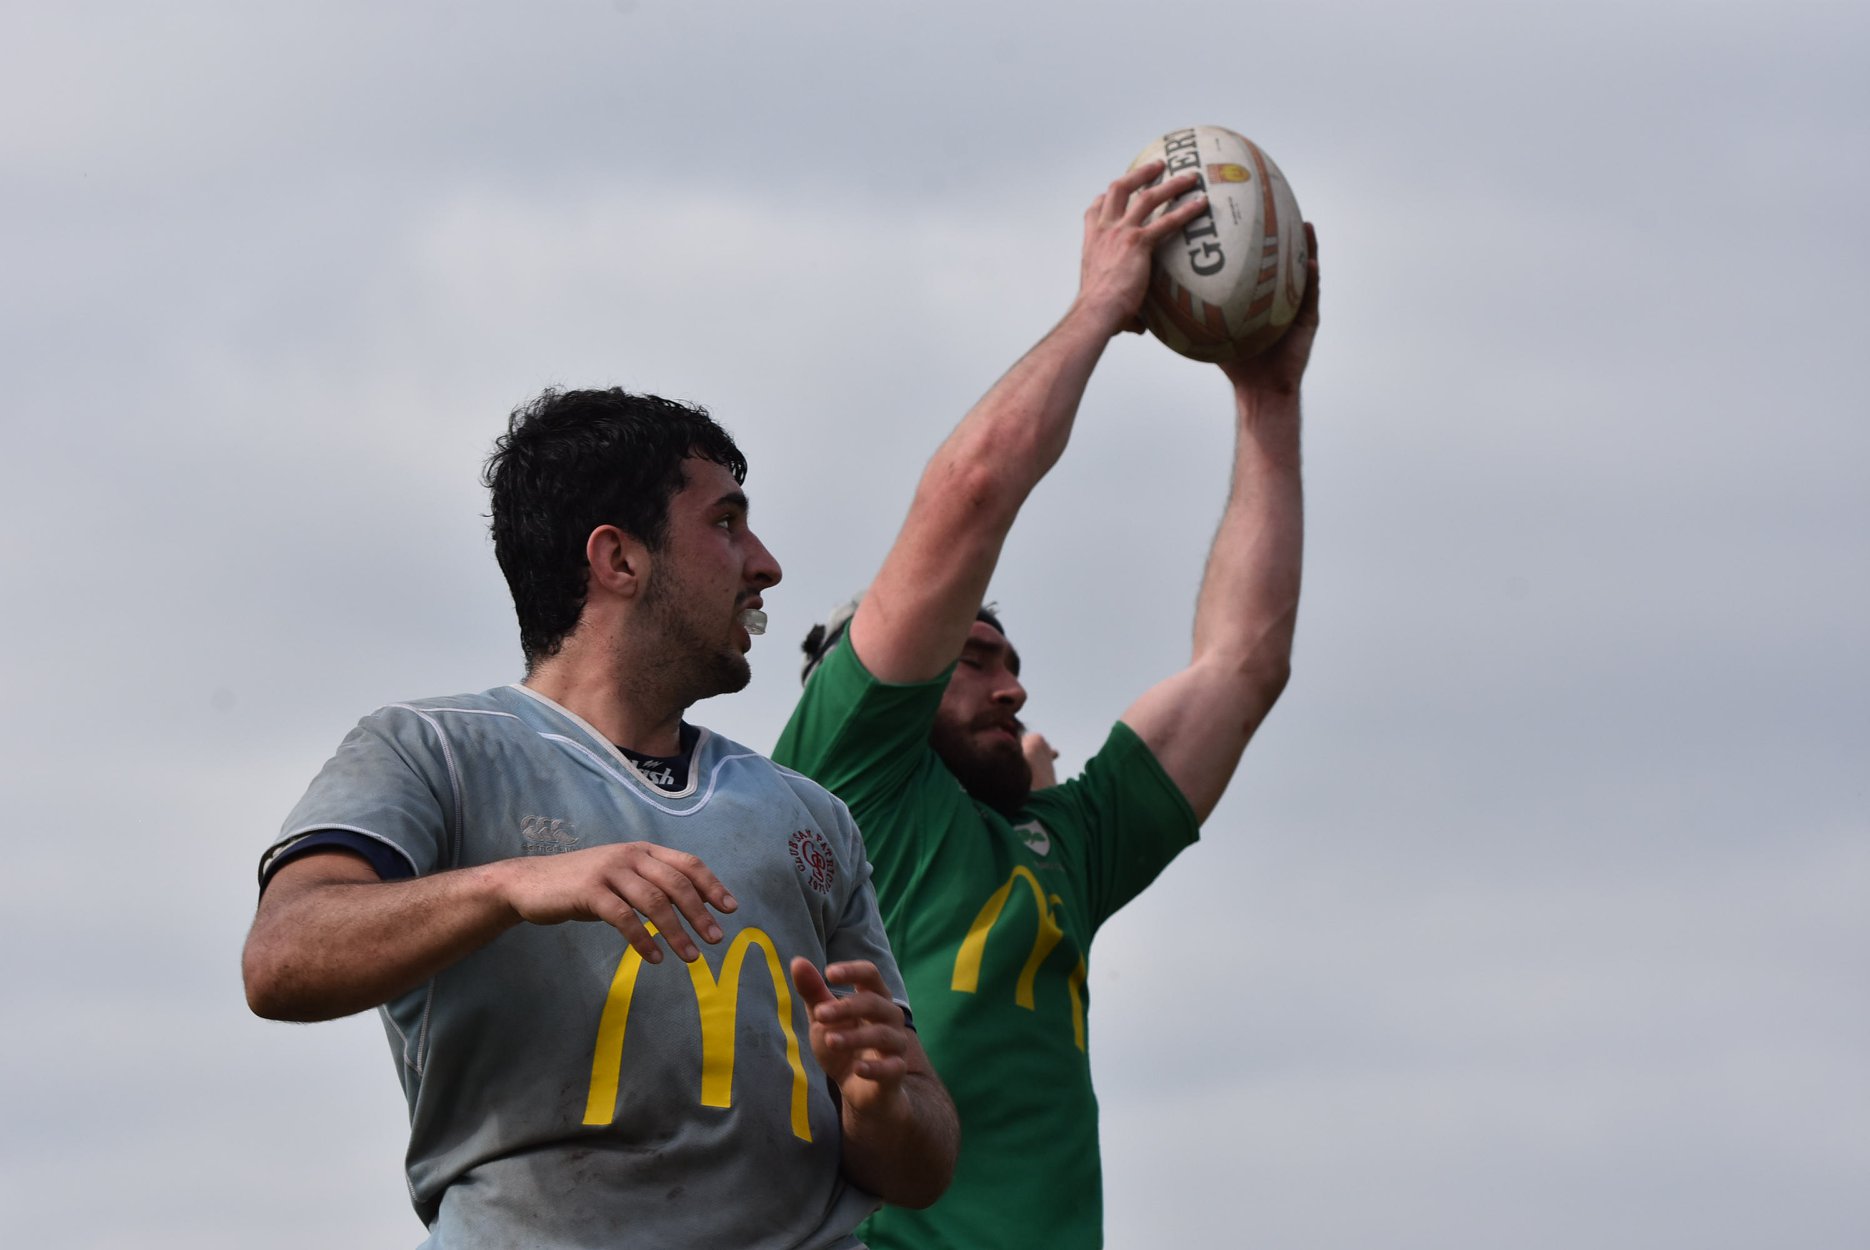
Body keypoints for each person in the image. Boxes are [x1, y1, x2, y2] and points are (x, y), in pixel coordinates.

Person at [242, 389, 959, 1249]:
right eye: (726, 523)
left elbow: (922, 1166)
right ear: (619, 558)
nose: (766, 564)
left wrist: (882, 1099)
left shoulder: (812, 816)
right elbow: (280, 959)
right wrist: (512, 885)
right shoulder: (431, 750)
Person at [772, 161, 1320, 1248]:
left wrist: (1268, 399)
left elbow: (1244, 663)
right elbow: (970, 497)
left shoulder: (1063, 846)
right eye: (974, 659)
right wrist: (1100, 306)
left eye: (1011, 661)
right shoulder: (846, 784)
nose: (1013, 685)